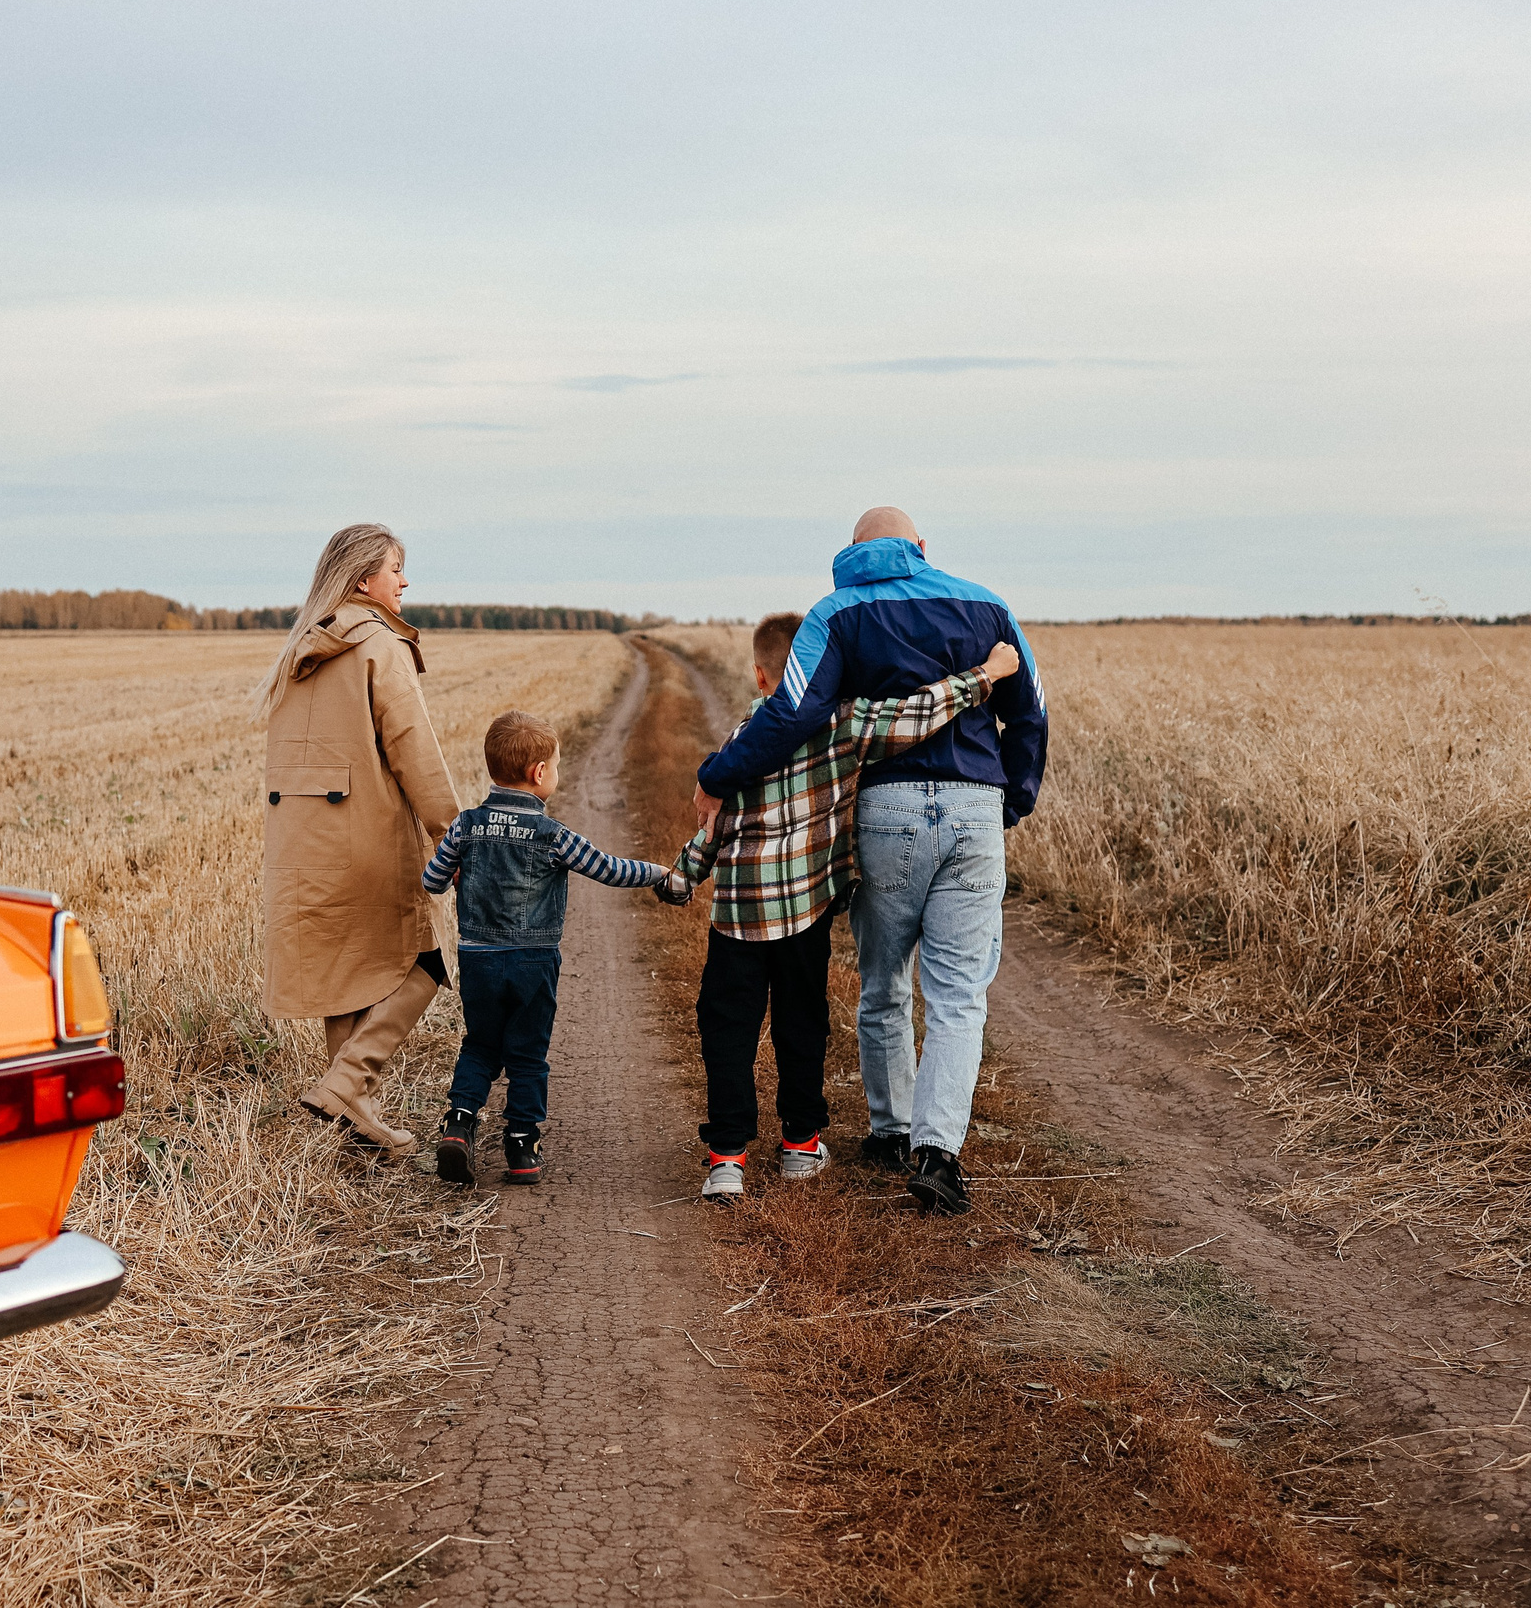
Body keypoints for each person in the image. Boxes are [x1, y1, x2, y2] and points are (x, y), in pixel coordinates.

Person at [693, 507, 1047, 1215]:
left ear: (853, 552)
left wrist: (717, 775)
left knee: (884, 979)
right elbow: (1028, 712)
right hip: (975, 804)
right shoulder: (989, 605)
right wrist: (1009, 801)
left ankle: (889, 1130)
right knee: (958, 995)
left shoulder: (836, 612)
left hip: (886, 812)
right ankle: (938, 1152)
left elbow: (793, 714)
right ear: (921, 546)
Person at [258, 523, 462, 1155]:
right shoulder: (378, 644)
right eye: (396, 568)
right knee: (427, 959)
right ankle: (349, 1084)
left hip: (301, 844)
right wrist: (453, 835)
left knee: (347, 969)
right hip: (366, 839)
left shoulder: (300, 648)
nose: (405, 582)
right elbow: (413, 749)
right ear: (362, 579)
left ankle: (353, 1118)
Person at [423, 710, 672, 1186]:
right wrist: (659, 872)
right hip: (533, 961)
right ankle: (521, 1146)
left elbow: (432, 881)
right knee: (528, 1054)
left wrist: (458, 874)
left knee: (479, 1045)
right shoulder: (553, 836)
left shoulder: (465, 826)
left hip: (478, 959)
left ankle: (458, 1125)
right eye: (555, 766)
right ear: (540, 774)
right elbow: (610, 868)